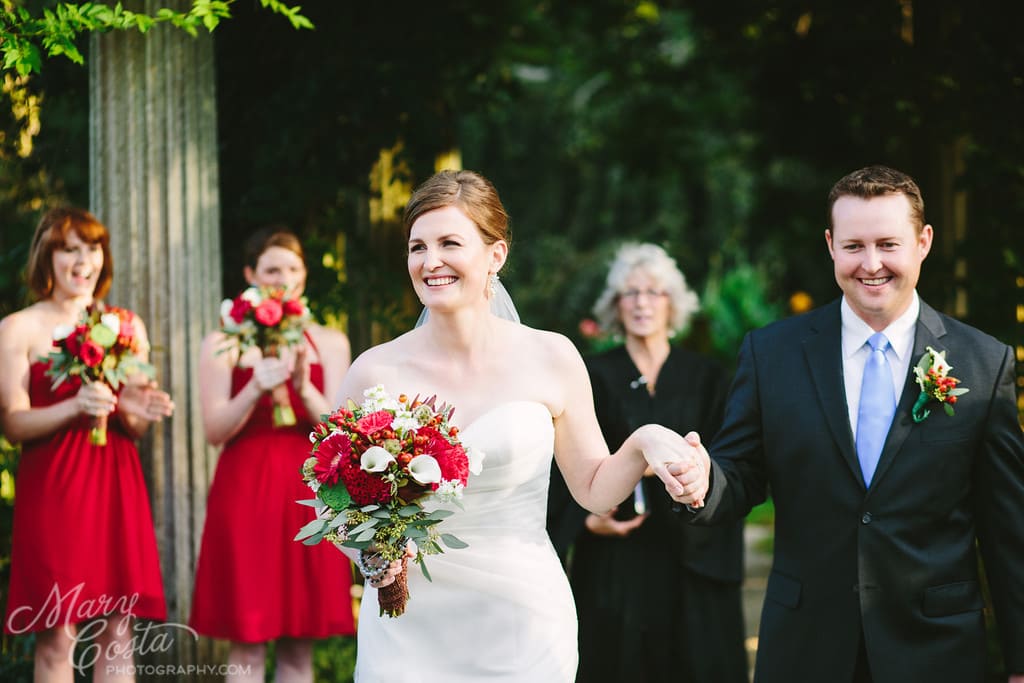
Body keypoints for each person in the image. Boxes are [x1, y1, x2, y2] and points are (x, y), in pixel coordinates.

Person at [334, 169, 696, 682]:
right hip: (407, 628)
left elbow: (594, 491)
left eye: (449, 243)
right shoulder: (374, 372)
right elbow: (334, 504)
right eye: (417, 247)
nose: (430, 261)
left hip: (523, 624)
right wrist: (372, 552)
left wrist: (642, 443)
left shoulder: (552, 357)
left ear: (496, 255)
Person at [669, 165, 1024, 682]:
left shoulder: (983, 363)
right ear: (831, 245)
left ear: (923, 242)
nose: (871, 264)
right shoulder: (772, 354)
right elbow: (740, 473)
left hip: (935, 650)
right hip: (805, 646)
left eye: (888, 244)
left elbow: (1007, 527)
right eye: (854, 246)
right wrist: (702, 482)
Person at [546, 242, 747, 683]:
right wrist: (585, 519)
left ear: (672, 302)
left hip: (692, 551)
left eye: (654, 292)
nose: (642, 303)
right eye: (630, 293)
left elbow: (730, 460)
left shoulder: (707, 377)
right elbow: (563, 463)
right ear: (615, 305)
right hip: (617, 555)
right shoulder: (591, 376)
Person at [0, 207, 174, 681]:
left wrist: (139, 409)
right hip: (53, 487)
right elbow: (12, 424)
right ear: (46, 257)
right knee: (57, 635)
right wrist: (75, 405)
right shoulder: (18, 328)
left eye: (93, 248)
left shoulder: (127, 325)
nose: (83, 261)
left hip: (115, 482)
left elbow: (133, 427)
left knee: (118, 630)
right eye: (69, 249)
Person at [189, 228, 356, 681]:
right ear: (250, 275)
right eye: (271, 270)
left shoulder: (331, 341)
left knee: (299, 645)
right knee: (246, 641)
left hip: (310, 493)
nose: (283, 279)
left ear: (305, 275)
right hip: (245, 493)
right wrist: (254, 390)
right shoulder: (222, 343)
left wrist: (303, 388)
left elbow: (342, 433)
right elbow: (213, 430)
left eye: (293, 269)